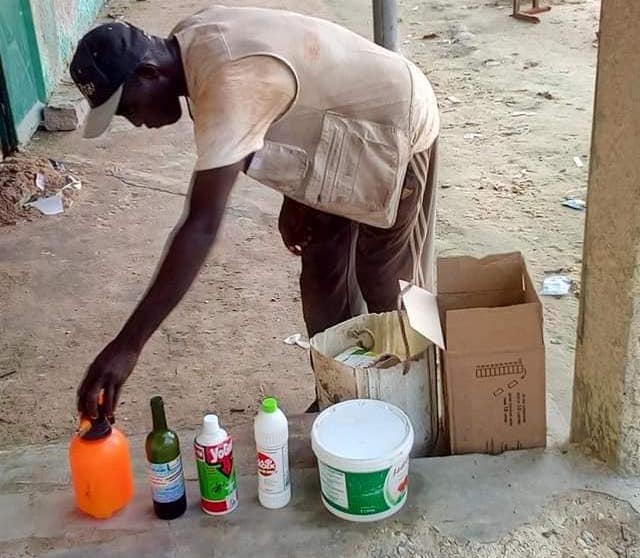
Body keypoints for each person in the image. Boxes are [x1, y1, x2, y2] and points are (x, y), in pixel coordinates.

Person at [70, 5, 440, 420]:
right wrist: (296, 195)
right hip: (340, 134)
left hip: (394, 123)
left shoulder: (226, 79)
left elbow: (201, 225)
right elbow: (288, 95)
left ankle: (414, 403)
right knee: (321, 279)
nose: (135, 121)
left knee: (386, 282)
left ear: (149, 72)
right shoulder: (187, 41)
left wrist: (127, 346)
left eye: (127, 108)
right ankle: (342, 392)